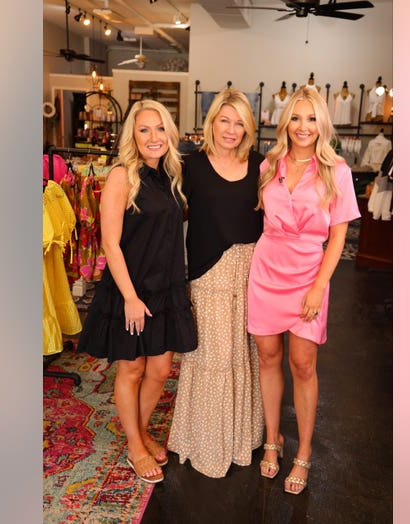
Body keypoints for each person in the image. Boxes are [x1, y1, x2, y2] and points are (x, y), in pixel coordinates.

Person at [77, 100, 198, 484]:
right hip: (132, 288)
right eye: (144, 129)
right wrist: (130, 297)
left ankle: (141, 431)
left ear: (170, 134)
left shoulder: (170, 175)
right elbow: (110, 243)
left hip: (166, 287)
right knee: (132, 368)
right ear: (132, 134)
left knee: (161, 369)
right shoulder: (121, 176)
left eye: (160, 129)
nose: (153, 137)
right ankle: (135, 445)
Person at [248, 87, 361, 494]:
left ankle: (304, 453)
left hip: (308, 275)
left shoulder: (337, 171)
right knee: (267, 357)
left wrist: (318, 289)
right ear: (285, 123)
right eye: (296, 118)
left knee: (302, 364)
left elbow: (338, 237)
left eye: (311, 119)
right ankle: (272, 441)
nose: (303, 127)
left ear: (322, 124)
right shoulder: (269, 164)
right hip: (266, 271)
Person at [168, 88, 265, 478]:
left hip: (251, 273)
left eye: (239, 121)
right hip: (209, 272)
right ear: (211, 123)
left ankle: (242, 435)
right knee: (212, 359)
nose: (231, 129)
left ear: (249, 127)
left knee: (244, 355)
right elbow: (168, 212)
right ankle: (206, 440)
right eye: (224, 120)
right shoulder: (190, 166)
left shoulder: (261, 165)